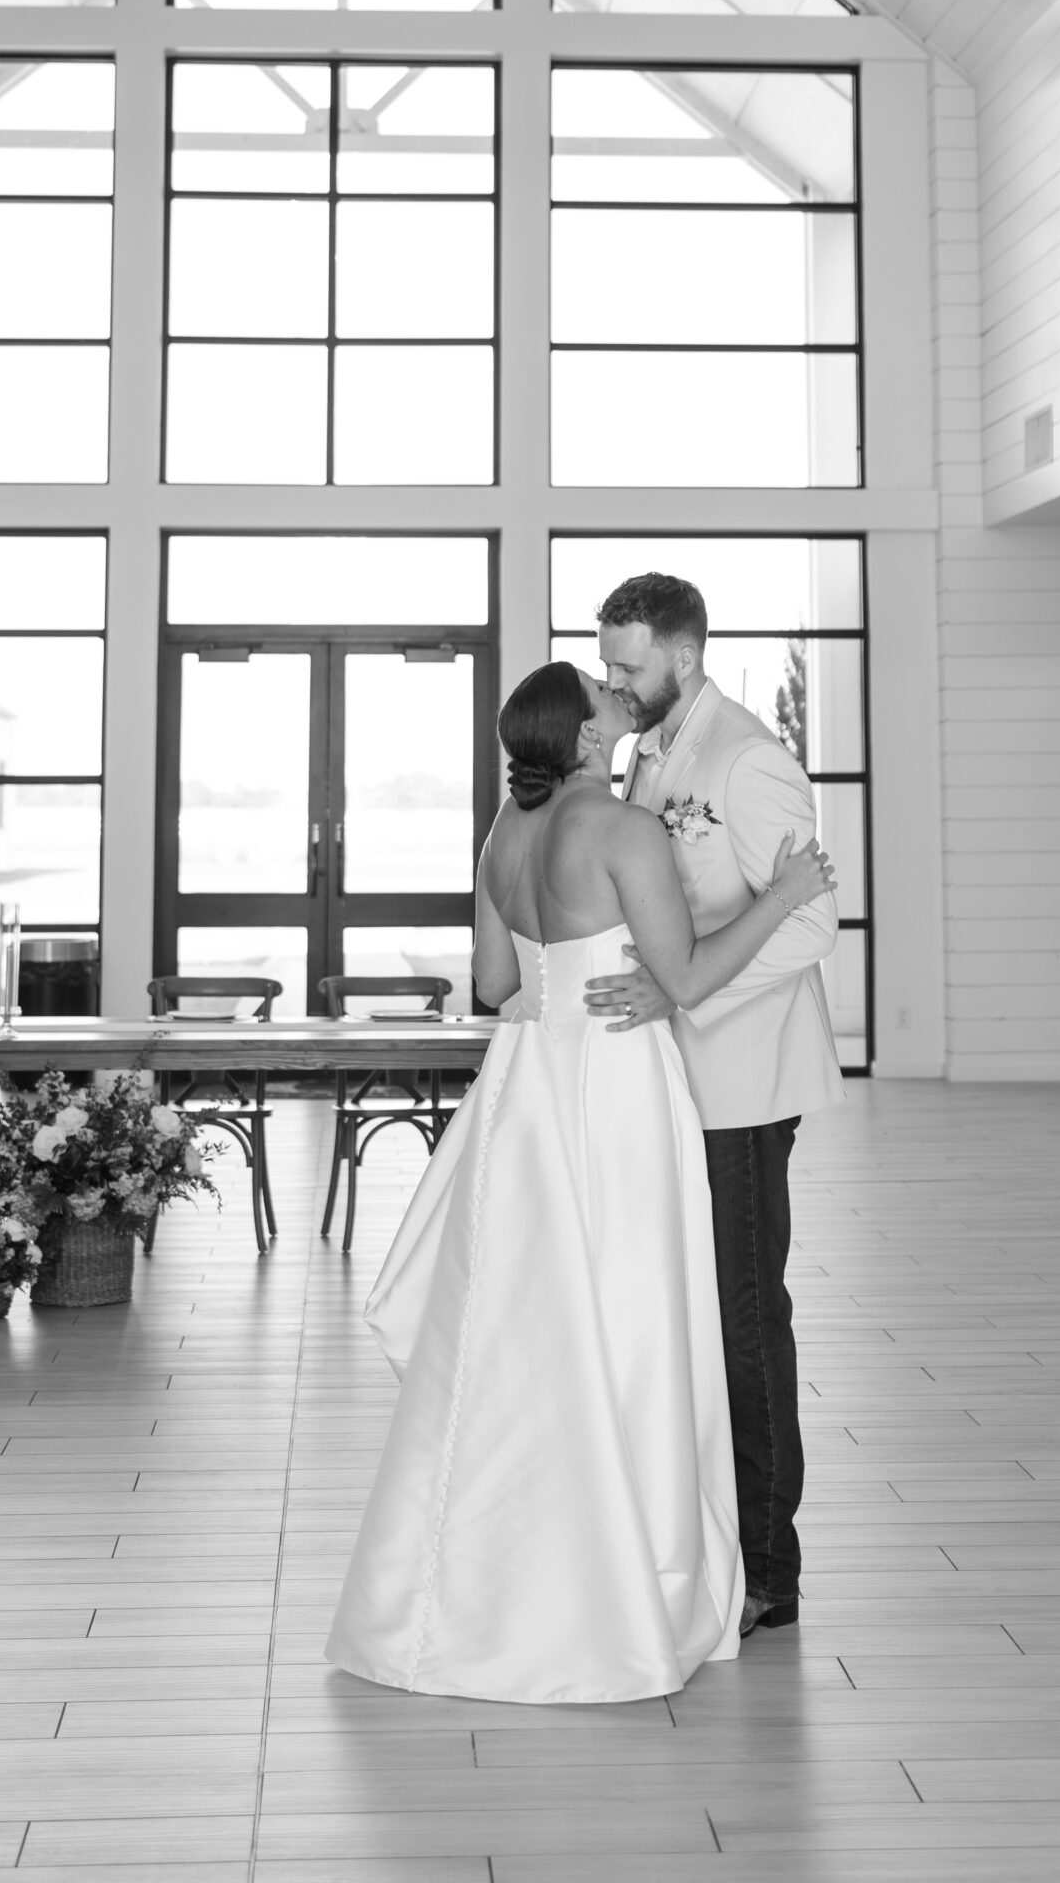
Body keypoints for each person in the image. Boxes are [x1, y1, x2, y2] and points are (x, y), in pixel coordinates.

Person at [325, 660, 832, 1705]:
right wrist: (783, 893)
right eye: (604, 699)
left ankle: (494, 1580)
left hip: (527, 1087)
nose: (619, 699)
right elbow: (684, 981)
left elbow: (497, 984)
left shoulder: (503, 835)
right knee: (633, 1326)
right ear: (589, 740)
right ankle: (619, 1573)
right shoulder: (623, 831)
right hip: (615, 1088)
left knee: (528, 1339)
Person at [587, 573, 843, 1639]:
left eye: (628, 665)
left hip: (741, 1080)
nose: (615, 681)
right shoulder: (647, 755)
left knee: (745, 1317)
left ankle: (772, 1568)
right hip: (667, 1081)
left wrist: (683, 984)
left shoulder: (748, 758)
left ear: (684, 656)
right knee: (691, 1313)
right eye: (607, 663)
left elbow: (809, 925)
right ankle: (709, 1532)